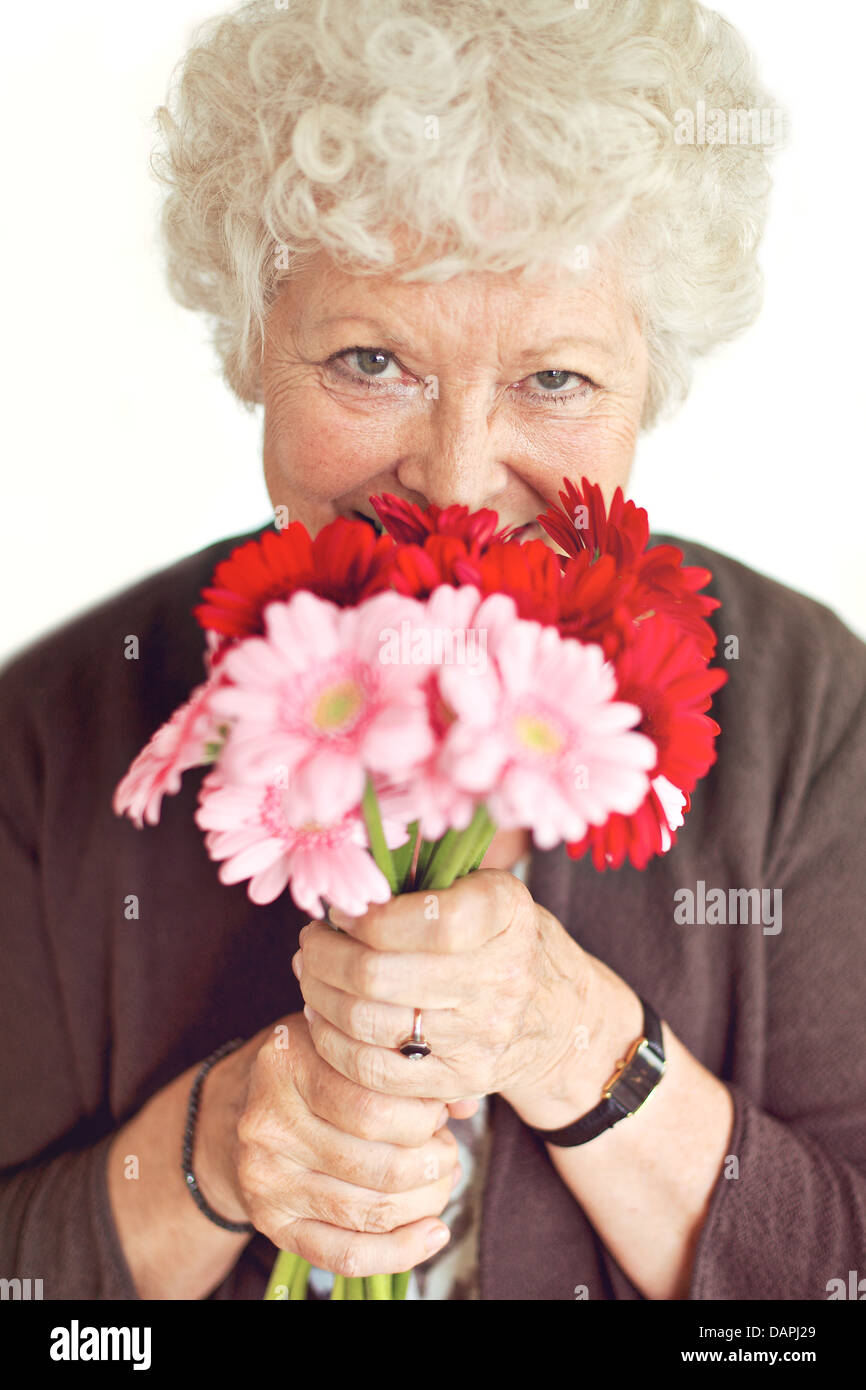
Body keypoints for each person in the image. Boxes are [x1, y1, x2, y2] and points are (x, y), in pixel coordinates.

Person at [1, 0, 864, 1302]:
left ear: (650, 376)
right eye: (370, 359)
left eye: (553, 380)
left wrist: (583, 1049)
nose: (457, 488)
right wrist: (204, 1156)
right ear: (249, 343)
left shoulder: (811, 716)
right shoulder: (52, 733)